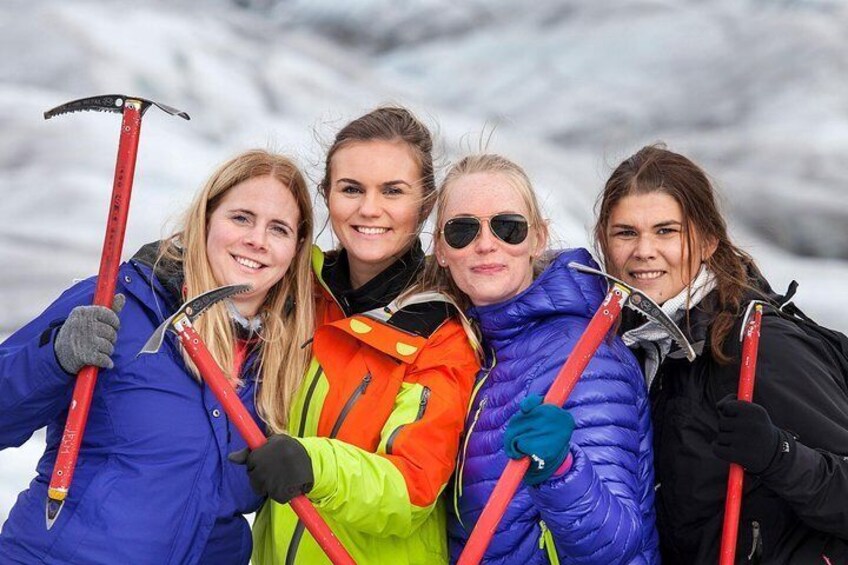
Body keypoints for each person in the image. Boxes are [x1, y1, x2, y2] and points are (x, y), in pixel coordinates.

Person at [0, 149, 315, 564]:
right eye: (241, 217)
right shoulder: (121, 302)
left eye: (279, 229)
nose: (257, 239)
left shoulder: (289, 360)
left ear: (296, 250)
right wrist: (54, 359)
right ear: (204, 222)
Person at [240, 107, 480, 564]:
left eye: (393, 191)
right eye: (351, 189)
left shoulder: (440, 329)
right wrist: (168, 266)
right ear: (326, 195)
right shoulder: (299, 288)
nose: (369, 209)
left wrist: (315, 466)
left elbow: (412, 488)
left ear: (426, 204)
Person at [594, 144, 848, 564]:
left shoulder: (760, 345)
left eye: (666, 231)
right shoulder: (639, 349)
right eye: (626, 232)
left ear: (708, 240)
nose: (643, 251)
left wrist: (779, 456)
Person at [433, 154, 659, 563]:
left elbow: (615, 544)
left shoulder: (583, 355)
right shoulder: (465, 346)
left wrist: (559, 469)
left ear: (538, 238)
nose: (486, 244)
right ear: (441, 250)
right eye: (462, 230)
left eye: (508, 227)